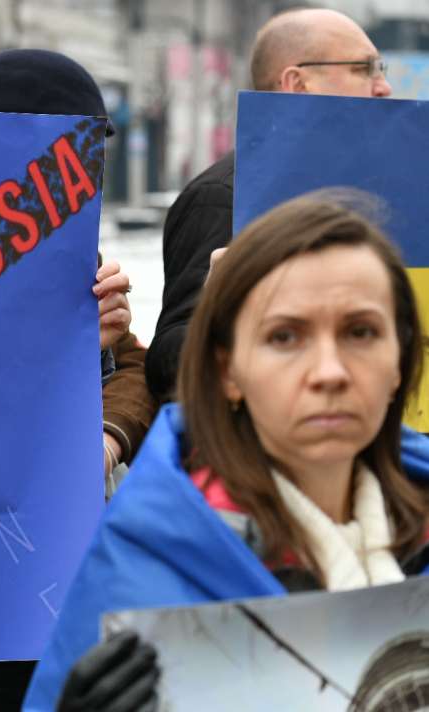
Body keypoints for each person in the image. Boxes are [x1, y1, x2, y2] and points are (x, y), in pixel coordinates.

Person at [23, 192, 429, 711]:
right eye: (285, 337)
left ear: (400, 359)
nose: (330, 371)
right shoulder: (140, 568)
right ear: (227, 369)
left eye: (361, 332)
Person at [0, 48, 158, 712]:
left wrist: (105, 424)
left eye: (95, 152)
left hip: (47, 574)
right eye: (78, 150)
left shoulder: (67, 249)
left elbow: (134, 367)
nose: (91, 172)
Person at [145, 7, 394, 402]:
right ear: (298, 83)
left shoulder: (385, 184)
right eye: (364, 69)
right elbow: (167, 364)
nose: (384, 88)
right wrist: (219, 315)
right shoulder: (222, 195)